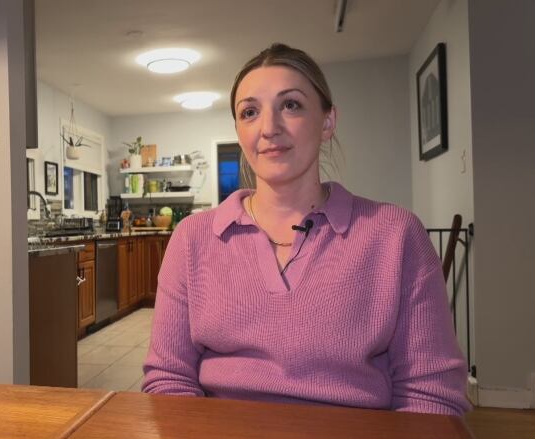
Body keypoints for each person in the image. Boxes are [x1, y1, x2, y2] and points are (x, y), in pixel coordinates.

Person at [142, 43, 471, 417]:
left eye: (291, 105)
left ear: (327, 121)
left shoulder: (396, 235)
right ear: (239, 130)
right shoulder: (191, 238)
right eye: (250, 112)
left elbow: (432, 397)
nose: (269, 128)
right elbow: (169, 380)